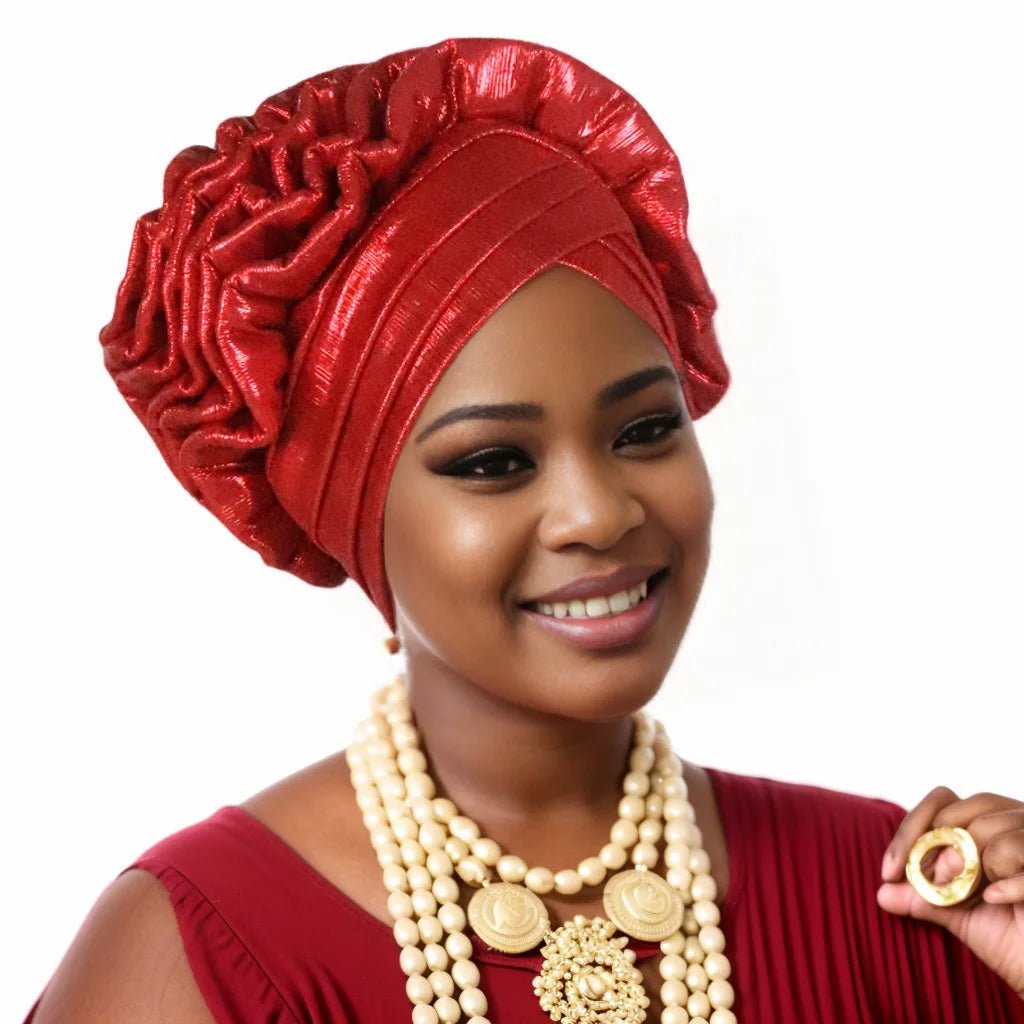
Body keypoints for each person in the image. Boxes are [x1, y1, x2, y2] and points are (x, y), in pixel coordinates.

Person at [23, 36, 1024, 1024]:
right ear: (356, 522)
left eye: (645, 430)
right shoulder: (198, 958)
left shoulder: (911, 903)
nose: (600, 512)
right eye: (492, 462)